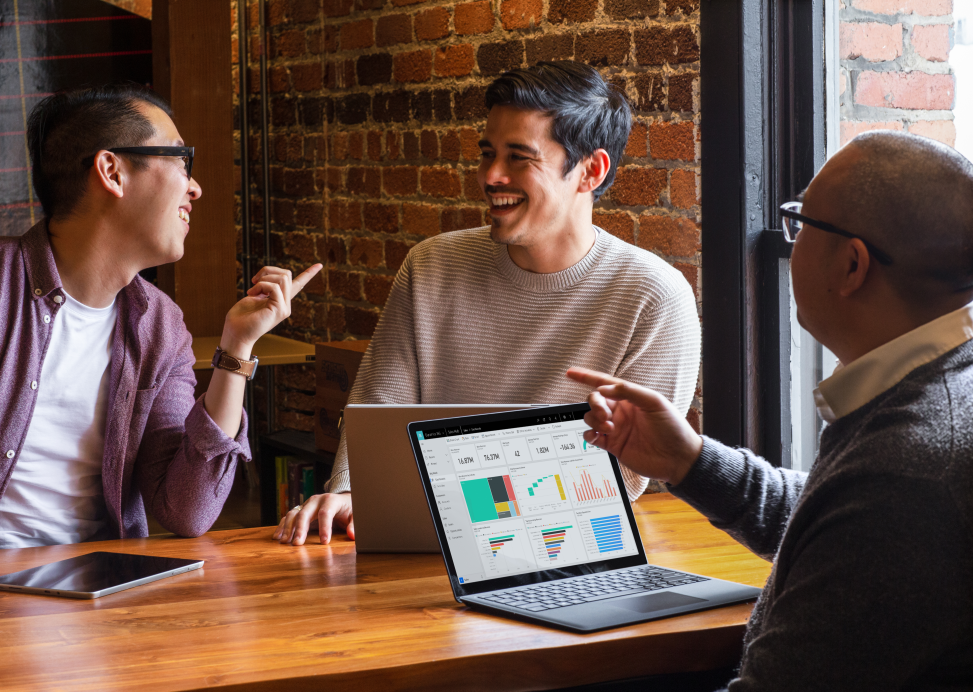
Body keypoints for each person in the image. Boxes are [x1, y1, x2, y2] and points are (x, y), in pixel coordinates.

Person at [569, 130, 973, 690]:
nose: (793, 240)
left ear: (852, 265)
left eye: (802, 222)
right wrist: (689, 460)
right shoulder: (940, 388)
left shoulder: (908, 471)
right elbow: (835, 528)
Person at [276, 60, 701, 546]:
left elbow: (620, 478)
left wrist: (449, 506)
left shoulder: (654, 297)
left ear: (590, 171)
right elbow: (378, 406)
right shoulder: (431, 265)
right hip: (417, 543)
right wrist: (352, 490)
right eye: (487, 153)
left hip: (562, 548)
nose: (491, 176)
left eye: (519, 157)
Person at [0, 85, 320, 613]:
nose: (197, 188)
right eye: (182, 160)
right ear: (112, 171)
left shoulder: (160, 325)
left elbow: (187, 510)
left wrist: (236, 349)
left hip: (104, 595)